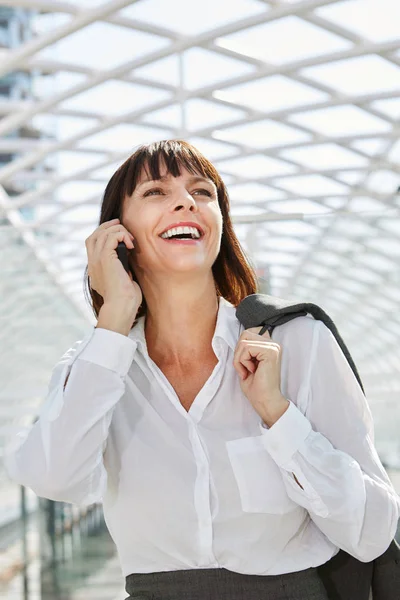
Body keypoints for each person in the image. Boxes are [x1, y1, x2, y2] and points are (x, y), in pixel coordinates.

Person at [4, 140, 399, 600]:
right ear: (117, 232)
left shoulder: (297, 342)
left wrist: (279, 416)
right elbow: (54, 478)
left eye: (202, 191)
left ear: (219, 224)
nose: (185, 201)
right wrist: (113, 317)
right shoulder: (98, 366)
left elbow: (373, 531)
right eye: (155, 191)